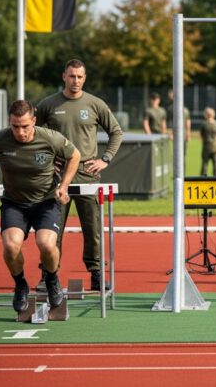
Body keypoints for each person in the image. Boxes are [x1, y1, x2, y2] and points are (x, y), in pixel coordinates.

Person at [0, 100, 81, 312]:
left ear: (34, 121)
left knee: (45, 244)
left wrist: (64, 186)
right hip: (14, 203)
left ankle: (52, 279)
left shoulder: (50, 138)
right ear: (10, 122)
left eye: (25, 126)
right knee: (10, 246)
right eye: (15, 126)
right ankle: (20, 285)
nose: (20, 132)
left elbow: (74, 156)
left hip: (45, 202)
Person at [35, 59, 123, 291]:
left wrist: (105, 159)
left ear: (85, 78)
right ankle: (47, 276)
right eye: (72, 76)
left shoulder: (95, 104)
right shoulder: (48, 104)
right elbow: (31, 133)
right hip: (56, 176)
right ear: (64, 76)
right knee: (52, 228)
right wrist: (46, 161)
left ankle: (96, 274)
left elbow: (116, 132)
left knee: (92, 228)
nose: (76, 81)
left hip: (87, 173)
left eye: (80, 77)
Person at [167, 88, 191, 172]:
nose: (169, 96)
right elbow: (188, 122)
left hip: (177, 134)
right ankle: (182, 172)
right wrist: (188, 133)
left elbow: (170, 122)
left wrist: (171, 133)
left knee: (178, 154)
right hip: (182, 134)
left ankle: (178, 172)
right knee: (182, 154)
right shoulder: (184, 108)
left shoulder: (171, 108)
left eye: (170, 94)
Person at [199, 107, 216, 176]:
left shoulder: (204, 124)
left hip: (206, 146)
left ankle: (203, 177)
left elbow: (201, 135)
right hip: (215, 147)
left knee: (205, 163)